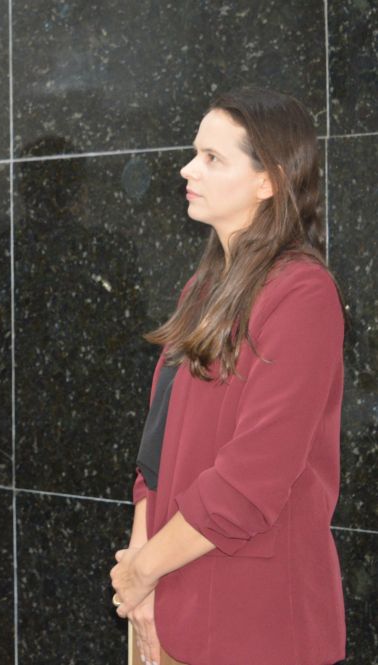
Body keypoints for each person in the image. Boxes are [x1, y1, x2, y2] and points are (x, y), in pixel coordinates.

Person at [109, 88, 346, 665]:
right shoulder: (203, 288)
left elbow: (252, 479)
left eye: (212, 158)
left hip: (257, 617)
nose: (188, 169)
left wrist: (143, 569)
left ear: (269, 181)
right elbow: (155, 448)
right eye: (196, 153)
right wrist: (142, 581)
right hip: (173, 596)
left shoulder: (303, 293)